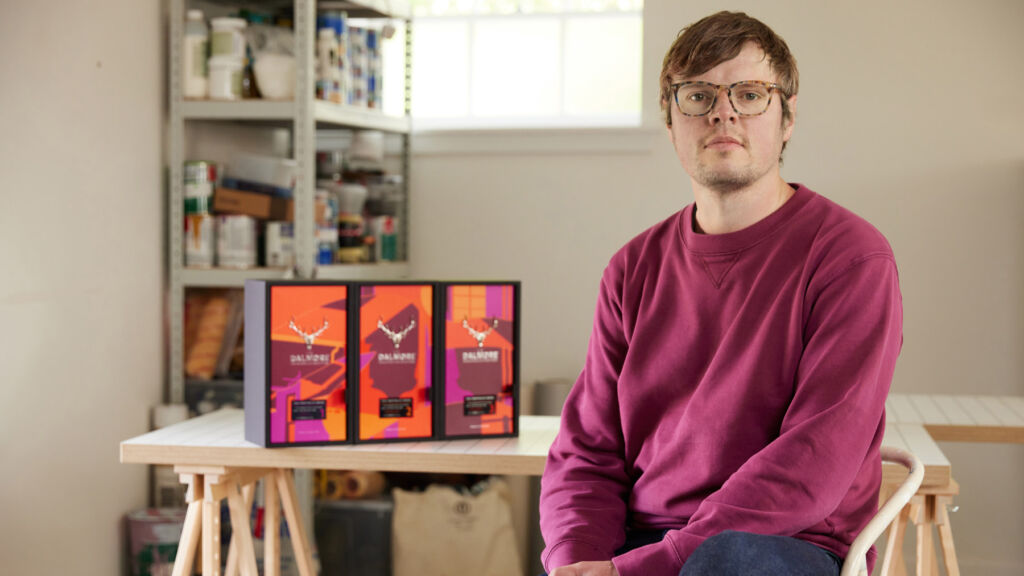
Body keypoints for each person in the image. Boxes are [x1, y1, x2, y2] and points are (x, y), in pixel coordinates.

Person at [538, 11, 903, 576]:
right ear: (670, 120)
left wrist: (647, 567)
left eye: (750, 94)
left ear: (787, 118)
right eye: (697, 95)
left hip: (783, 543)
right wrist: (578, 562)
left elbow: (814, 463)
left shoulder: (851, 257)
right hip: (644, 541)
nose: (722, 111)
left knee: (724, 563)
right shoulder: (632, 268)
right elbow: (586, 453)